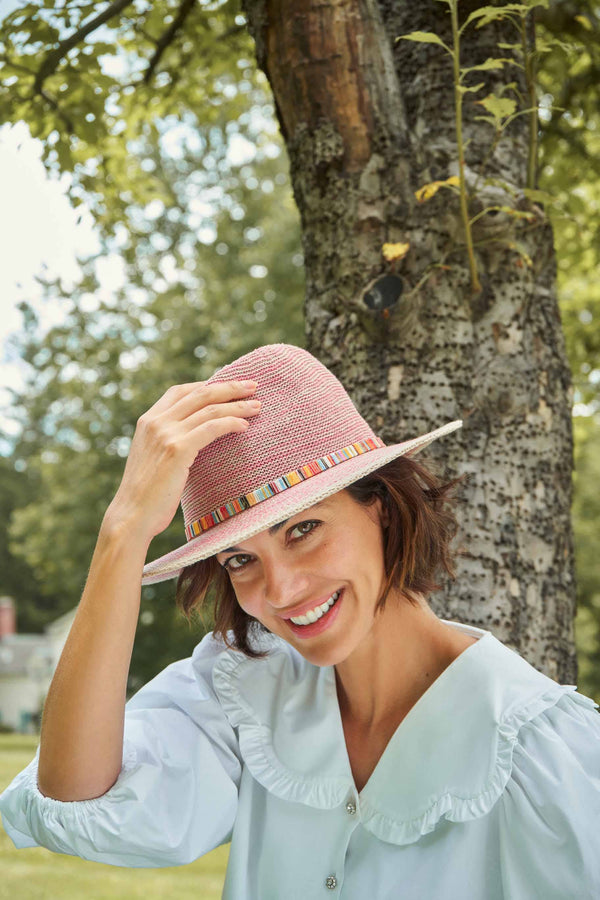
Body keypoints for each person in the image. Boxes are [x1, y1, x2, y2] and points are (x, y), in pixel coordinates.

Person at [1, 342, 599, 899]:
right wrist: (123, 531)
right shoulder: (244, 694)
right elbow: (74, 796)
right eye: (240, 560)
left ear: (382, 509)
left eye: (303, 529)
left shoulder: (548, 757)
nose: (281, 590)